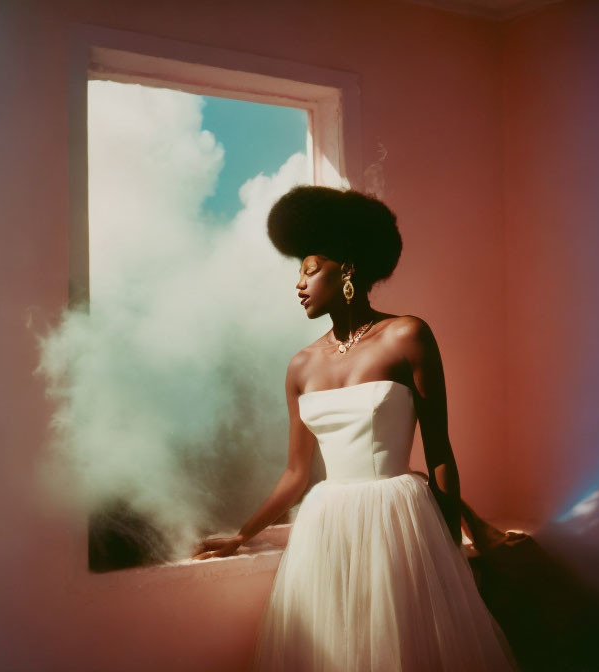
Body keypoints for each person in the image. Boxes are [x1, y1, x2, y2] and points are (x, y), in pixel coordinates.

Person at [191, 185, 521, 671]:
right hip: (326, 528)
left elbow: (439, 452)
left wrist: (449, 548)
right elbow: (296, 475)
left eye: (308, 269)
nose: (298, 285)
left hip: (401, 522)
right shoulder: (300, 365)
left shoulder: (408, 335)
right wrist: (242, 535)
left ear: (346, 268)